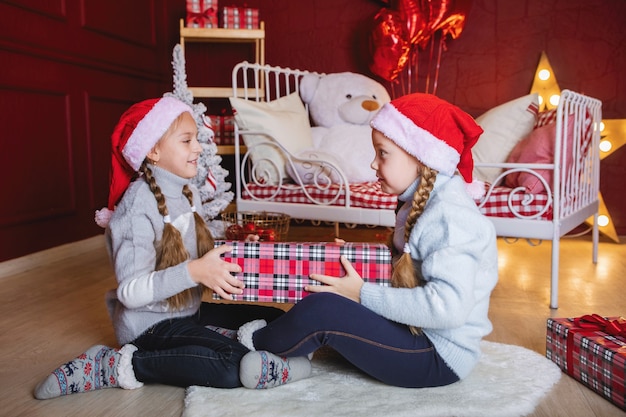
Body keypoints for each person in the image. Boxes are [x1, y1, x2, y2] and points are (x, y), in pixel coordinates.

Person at [34, 97, 311, 399]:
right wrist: (194, 271)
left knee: (277, 319)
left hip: (186, 312)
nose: (198, 147)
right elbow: (130, 292)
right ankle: (117, 365)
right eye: (186, 140)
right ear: (153, 150)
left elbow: (190, 242)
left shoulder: (185, 190)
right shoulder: (136, 207)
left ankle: (224, 343)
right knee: (233, 365)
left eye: (196, 139)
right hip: (149, 326)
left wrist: (239, 245)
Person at [236, 93, 498, 388]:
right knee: (324, 294)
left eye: (382, 153)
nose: (373, 163)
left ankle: (243, 345)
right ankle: (284, 356)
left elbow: (448, 308)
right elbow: (409, 273)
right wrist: (353, 260)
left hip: (436, 355)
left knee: (323, 310)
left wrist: (362, 293)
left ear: (421, 157)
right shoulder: (418, 202)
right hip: (416, 332)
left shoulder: (449, 217)